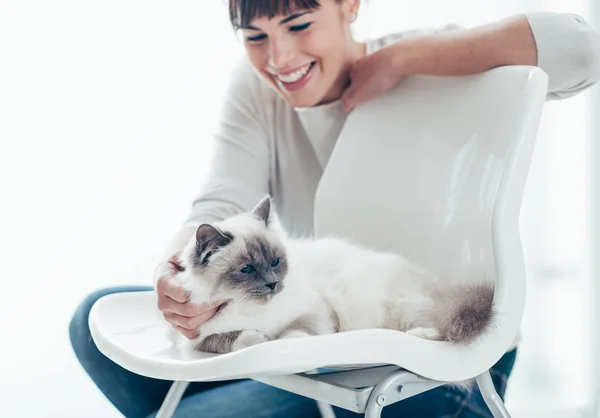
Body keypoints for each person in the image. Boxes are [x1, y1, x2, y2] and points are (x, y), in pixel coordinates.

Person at [69, 1, 600, 417]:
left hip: (426, 354)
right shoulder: (258, 90)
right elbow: (219, 204)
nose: (279, 59)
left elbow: (581, 48)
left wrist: (400, 58)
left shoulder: (434, 63)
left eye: (299, 24)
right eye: (256, 37)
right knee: (92, 321)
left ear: (350, 5)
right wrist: (177, 270)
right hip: (304, 335)